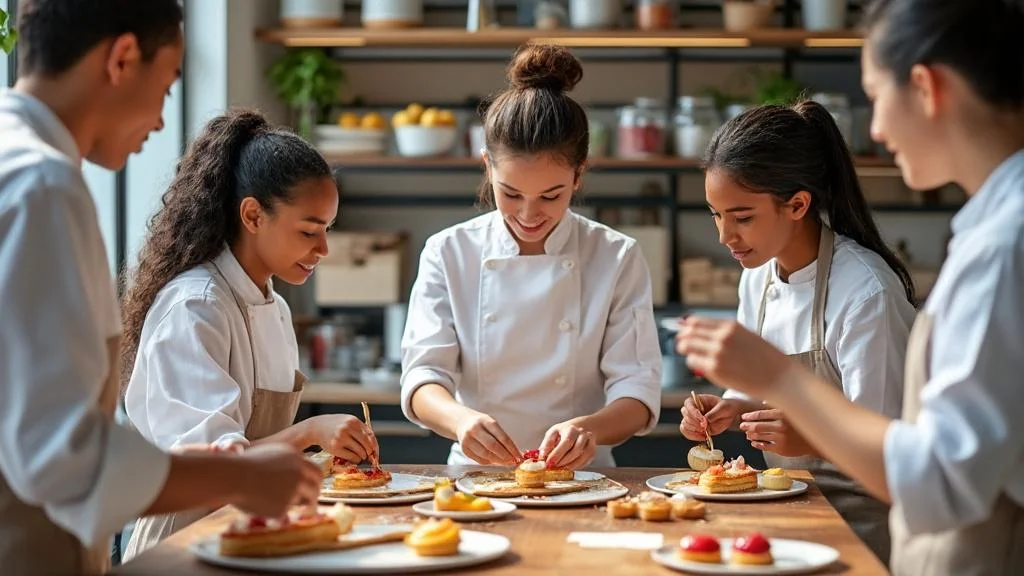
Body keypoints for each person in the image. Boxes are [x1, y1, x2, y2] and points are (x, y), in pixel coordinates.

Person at [676, 0, 1024, 573]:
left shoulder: (995, 249)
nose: (880, 129)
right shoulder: (991, 229)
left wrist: (779, 379)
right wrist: (741, 405)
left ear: (927, 87)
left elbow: (933, 477)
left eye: (877, 96)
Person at [0, 1, 321, 573]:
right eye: (168, 84)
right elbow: (60, 457)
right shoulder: (42, 186)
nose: (159, 119)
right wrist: (238, 472)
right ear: (123, 58)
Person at [119, 108, 378, 558]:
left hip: (251, 531)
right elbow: (211, 467)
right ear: (254, 215)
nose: (323, 249)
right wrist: (310, 431)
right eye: (309, 231)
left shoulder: (274, 307)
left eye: (327, 230)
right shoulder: (196, 305)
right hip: (184, 541)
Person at [400, 44, 662, 469]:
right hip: (475, 477)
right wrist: (462, 421)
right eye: (511, 193)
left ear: (579, 175)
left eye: (551, 195)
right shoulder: (449, 252)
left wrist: (589, 431)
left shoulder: (615, 256)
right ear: (487, 166)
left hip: (583, 478)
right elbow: (422, 378)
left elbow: (637, 390)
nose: (528, 214)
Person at [677, 100, 918, 562]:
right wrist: (729, 406)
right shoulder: (759, 276)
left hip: (863, 523)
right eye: (715, 214)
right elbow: (761, 385)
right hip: (787, 509)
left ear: (797, 205)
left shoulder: (866, 293)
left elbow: (889, 440)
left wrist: (807, 438)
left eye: (742, 216)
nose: (724, 235)